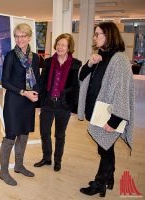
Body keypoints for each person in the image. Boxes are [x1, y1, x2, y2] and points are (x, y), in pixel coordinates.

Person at [78, 22, 134, 197]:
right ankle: (109, 178)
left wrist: (115, 121)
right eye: (95, 34)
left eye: (98, 34)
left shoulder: (120, 60)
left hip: (111, 115)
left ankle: (100, 183)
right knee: (105, 147)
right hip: (98, 112)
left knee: (104, 148)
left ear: (109, 35)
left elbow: (122, 92)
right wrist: (89, 63)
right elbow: (81, 77)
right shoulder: (100, 56)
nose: (95, 37)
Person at [33, 33, 82, 171]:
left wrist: (74, 108)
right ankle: (47, 158)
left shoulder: (75, 64)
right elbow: (41, 83)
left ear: (69, 47)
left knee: (60, 135)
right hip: (48, 103)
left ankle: (58, 160)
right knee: (44, 133)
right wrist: (38, 105)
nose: (60, 47)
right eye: (59, 44)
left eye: (63, 45)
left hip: (63, 105)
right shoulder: (48, 62)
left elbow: (75, 86)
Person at [0, 23, 40, 186]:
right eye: (17, 36)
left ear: (29, 37)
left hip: (29, 102)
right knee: (10, 136)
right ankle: (3, 172)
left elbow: (36, 79)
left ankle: (19, 165)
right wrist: (24, 92)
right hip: (14, 101)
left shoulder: (35, 57)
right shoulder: (10, 56)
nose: (20, 39)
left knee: (23, 134)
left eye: (23, 36)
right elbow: (5, 82)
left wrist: (37, 99)